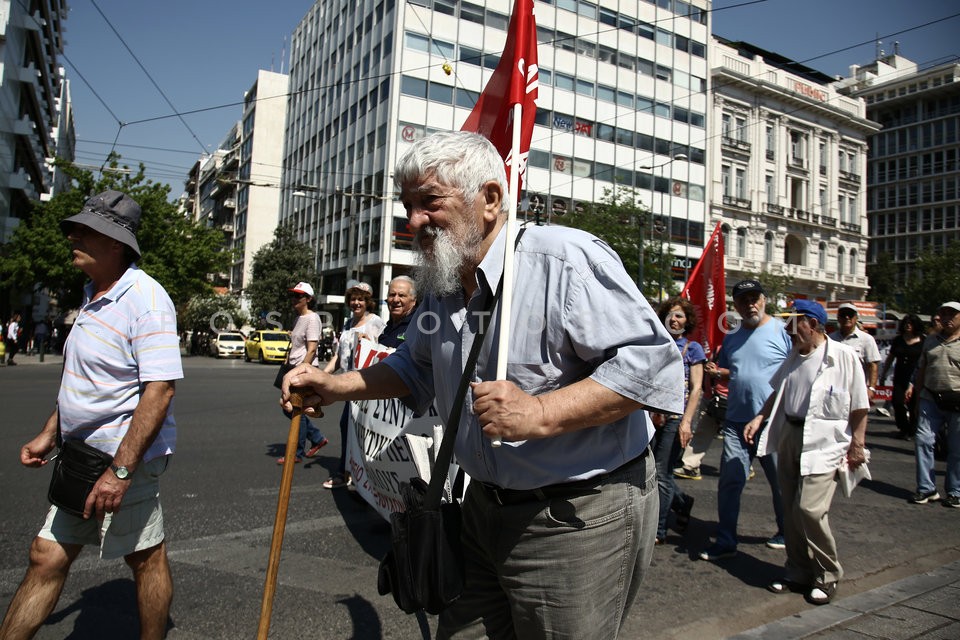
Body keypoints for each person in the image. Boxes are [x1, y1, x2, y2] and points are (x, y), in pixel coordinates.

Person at [282, 131, 683, 639]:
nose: (414, 222)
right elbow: (413, 369)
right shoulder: (443, 283)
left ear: (490, 200)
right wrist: (336, 385)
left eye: (430, 202)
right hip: (480, 510)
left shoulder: (564, 261)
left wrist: (540, 413)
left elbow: (654, 368)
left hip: (578, 515)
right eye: (408, 207)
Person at [0, 191, 182, 640]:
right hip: (82, 456)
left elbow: (159, 391)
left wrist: (120, 471)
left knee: (145, 559)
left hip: (122, 458)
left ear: (117, 243)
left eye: (86, 230)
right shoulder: (92, 295)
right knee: (49, 557)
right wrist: (50, 432)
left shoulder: (146, 299)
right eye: (75, 228)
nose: (72, 236)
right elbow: (83, 383)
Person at [744, 300, 869, 606]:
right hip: (790, 432)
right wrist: (759, 417)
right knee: (790, 508)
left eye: (794, 323)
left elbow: (860, 404)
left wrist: (858, 443)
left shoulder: (843, 356)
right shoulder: (793, 356)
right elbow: (778, 390)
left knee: (810, 509)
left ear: (813, 324)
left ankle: (828, 574)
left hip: (826, 441)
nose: (788, 330)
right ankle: (798, 569)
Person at [699, 279, 790, 560]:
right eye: (743, 300)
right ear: (735, 306)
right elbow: (733, 370)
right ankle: (726, 541)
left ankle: (787, 533)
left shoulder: (783, 331)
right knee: (730, 480)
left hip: (772, 421)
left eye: (754, 298)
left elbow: (795, 371)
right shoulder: (732, 337)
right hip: (737, 421)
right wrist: (717, 371)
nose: (750, 303)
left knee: (780, 483)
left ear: (764, 300)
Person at [321, 281, 385, 489]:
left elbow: (383, 352)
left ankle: (353, 473)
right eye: (353, 299)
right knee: (347, 427)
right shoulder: (348, 323)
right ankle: (350, 472)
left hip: (365, 385)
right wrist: (323, 374)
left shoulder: (375, 322)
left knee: (360, 430)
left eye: (361, 299)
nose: (356, 303)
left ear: (368, 302)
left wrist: (370, 342)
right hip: (348, 385)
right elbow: (339, 356)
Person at [651, 297, 704, 544]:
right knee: (657, 471)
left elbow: (696, 389)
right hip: (653, 417)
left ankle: (659, 530)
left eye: (679, 315)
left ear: (687, 320)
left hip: (675, 419)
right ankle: (683, 502)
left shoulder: (692, 349)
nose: (674, 319)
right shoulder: (658, 345)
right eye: (670, 315)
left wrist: (686, 422)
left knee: (661, 472)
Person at [908, 301, 960, 507]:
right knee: (923, 441)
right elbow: (921, 371)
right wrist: (917, 399)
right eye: (943, 314)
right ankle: (926, 488)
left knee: (956, 449)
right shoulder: (930, 342)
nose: (947, 318)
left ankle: (955, 490)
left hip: (957, 401)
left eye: (952, 314)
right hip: (930, 399)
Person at [276, 282, 329, 465]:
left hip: (304, 371)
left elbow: (312, 349)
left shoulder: (312, 319)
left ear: (308, 299)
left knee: (296, 410)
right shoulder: (299, 318)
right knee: (291, 408)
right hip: (293, 369)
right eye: (293, 295)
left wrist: (300, 371)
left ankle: (296, 453)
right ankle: (316, 438)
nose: (294, 299)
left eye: (299, 296)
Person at [880, 314, 925, 439]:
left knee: (914, 404)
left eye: (910, 323)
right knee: (897, 402)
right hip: (900, 375)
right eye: (906, 323)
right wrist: (884, 373)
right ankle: (903, 427)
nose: (908, 325)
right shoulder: (898, 340)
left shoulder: (923, 340)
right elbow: (890, 358)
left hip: (916, 376)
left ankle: (913, 429)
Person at [829, 303, 881, 404]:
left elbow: (873, 365)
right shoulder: (830, 338)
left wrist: (871, 388)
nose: (847, 317)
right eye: (843, 314)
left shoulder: (867, 339)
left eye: (850, 314)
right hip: (834, 389)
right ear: (838, 318)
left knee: (856, 418)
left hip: (857, 390)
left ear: (856, 318)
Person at [379, 275, 418, 348]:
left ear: (413, 301)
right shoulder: (388, 326)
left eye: (401, 295)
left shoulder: (417, 326)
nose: (395, 300)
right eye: (392, 295)